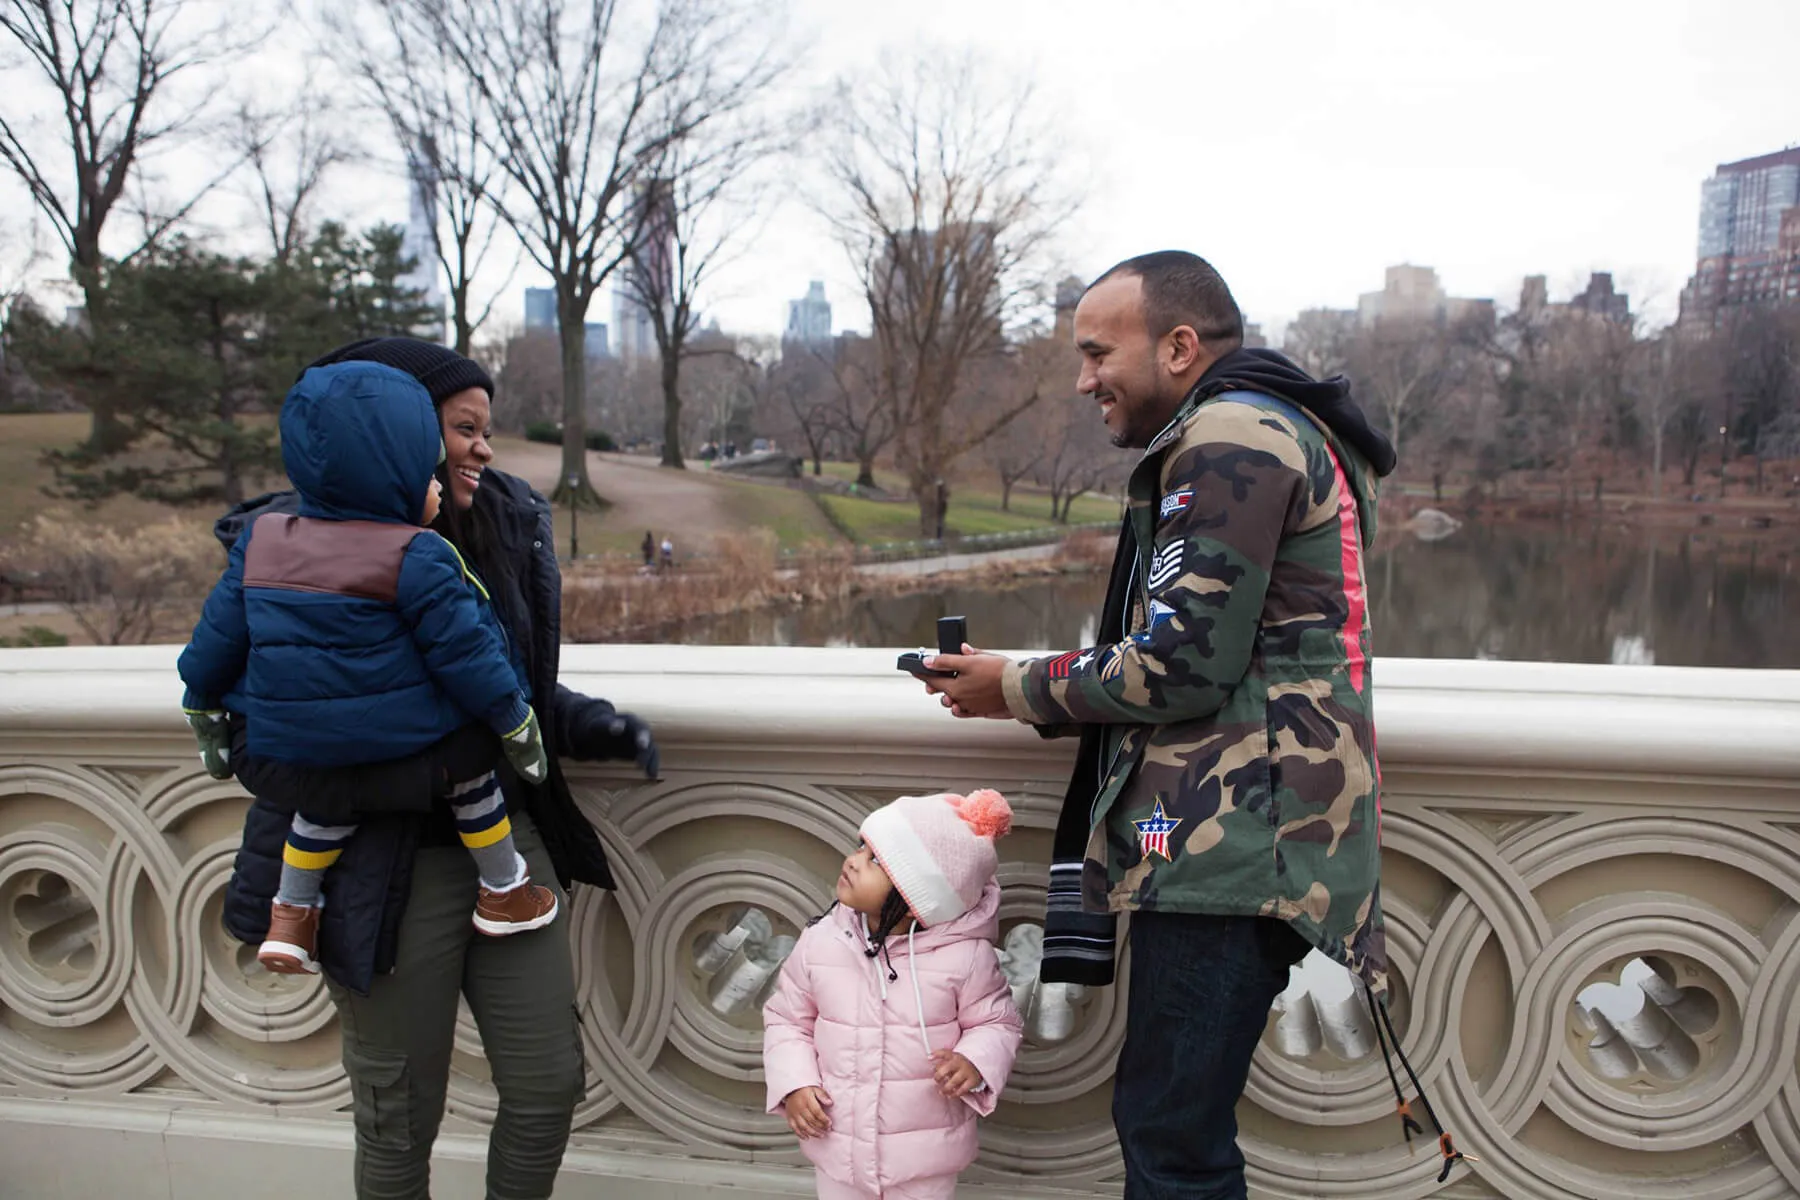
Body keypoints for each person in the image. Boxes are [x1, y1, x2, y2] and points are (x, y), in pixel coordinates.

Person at [921, 253, 1465, 1196]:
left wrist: (1014, 685)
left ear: (1178, 346)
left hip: (1238, 850)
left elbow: (1181, 661)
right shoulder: (1264, 422)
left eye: (1098, 352)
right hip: (1249, 837)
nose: (1083, 378)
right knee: (1175, 1124)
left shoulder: (1231, 437)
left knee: (1173, 1141)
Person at [212, 337, 661, 1199]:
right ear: (399, 432)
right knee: (399, 1119)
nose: (484, 449)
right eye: (464, 428)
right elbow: (253, 737)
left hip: (506, 849)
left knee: (547, 1086)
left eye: (486, 430)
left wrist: (587, 724)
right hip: (377, 873)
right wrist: (425, 771)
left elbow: (505, 685)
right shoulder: (285, 553)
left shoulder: (502, 526)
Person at [178, 361, 562, 976]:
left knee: (318, 810)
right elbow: (468, 657)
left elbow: (216, 640)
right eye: (425, 470)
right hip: (404, 744)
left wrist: (202, 707)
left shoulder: (264, 539)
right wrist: (515, 722)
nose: (436, 484)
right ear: (394, 474)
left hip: (300, 748)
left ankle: (290, 916)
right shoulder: (417, 553)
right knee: (473, 778)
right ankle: (505, 891)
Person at [763, 789, 1024, 1199]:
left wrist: (975, 1060)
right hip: (839, 1146)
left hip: (924, 1158)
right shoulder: (821, 942)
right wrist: (794, 1083)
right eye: (861, 848)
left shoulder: (965, 958)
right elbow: (786, 1020)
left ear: (915, 896)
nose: (853, 861)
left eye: (874, 861)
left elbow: (997, 1022)